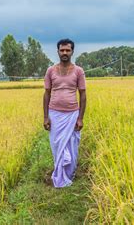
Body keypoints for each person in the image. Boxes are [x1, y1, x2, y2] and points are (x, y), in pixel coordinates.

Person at [43, 38, 86, 188]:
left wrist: (80, 118)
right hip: (54, 114)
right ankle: (60, 175)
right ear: (58, 52)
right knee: (57, 146)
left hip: (72, 115)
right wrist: (45, 117)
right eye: (62, 50)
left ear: (72, 51)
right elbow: (47, 93)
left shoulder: (79, 71)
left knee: (71, 146)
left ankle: (69, 174)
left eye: (68, 50)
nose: (65, 53)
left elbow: (83, 95)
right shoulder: (50, 71)